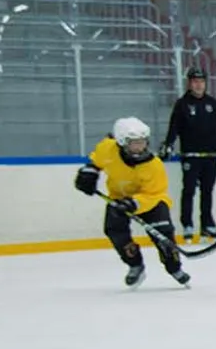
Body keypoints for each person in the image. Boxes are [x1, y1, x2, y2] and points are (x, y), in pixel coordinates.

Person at [74, 117, 188, 288]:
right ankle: (135, 265)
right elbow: (97, 160)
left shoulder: (153, 165)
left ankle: (174, 267)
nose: (140, 147)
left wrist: (134, 203)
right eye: (134, 143)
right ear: (120, 143)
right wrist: (90, 172)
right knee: (115, 231)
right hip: (118, 198)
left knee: (163, 235)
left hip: (151, 201)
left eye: (142, 142)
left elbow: (154, 194)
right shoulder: (108, 148)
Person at [160, 67, 216, 242]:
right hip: (191, 156)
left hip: (210, 155)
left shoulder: (212, 104)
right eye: (195, 81)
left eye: (201, 81)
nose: (198, 85)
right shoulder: (182, 104)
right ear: (189, 83)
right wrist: (169, 144)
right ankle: (187, 224)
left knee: (207, 191)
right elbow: (174, 128)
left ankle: (207, 224)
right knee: (188, 191)